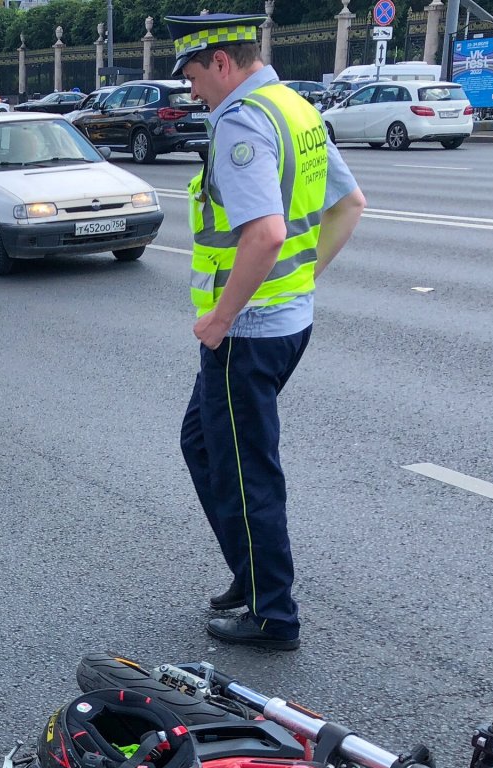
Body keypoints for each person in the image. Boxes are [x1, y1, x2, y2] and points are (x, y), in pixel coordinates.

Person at [170, 13, 365, 652]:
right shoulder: (295, 107)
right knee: (203, 442)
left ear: (222, 63)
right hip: (285, 321)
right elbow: (349, 204)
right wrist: (302, 281)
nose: (193, 91)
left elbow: (266, 233)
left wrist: (222, 317)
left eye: (195, 76)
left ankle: (271, 613)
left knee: (245, 469)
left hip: (248, 332)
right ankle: (251, 574)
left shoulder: (241, 121)